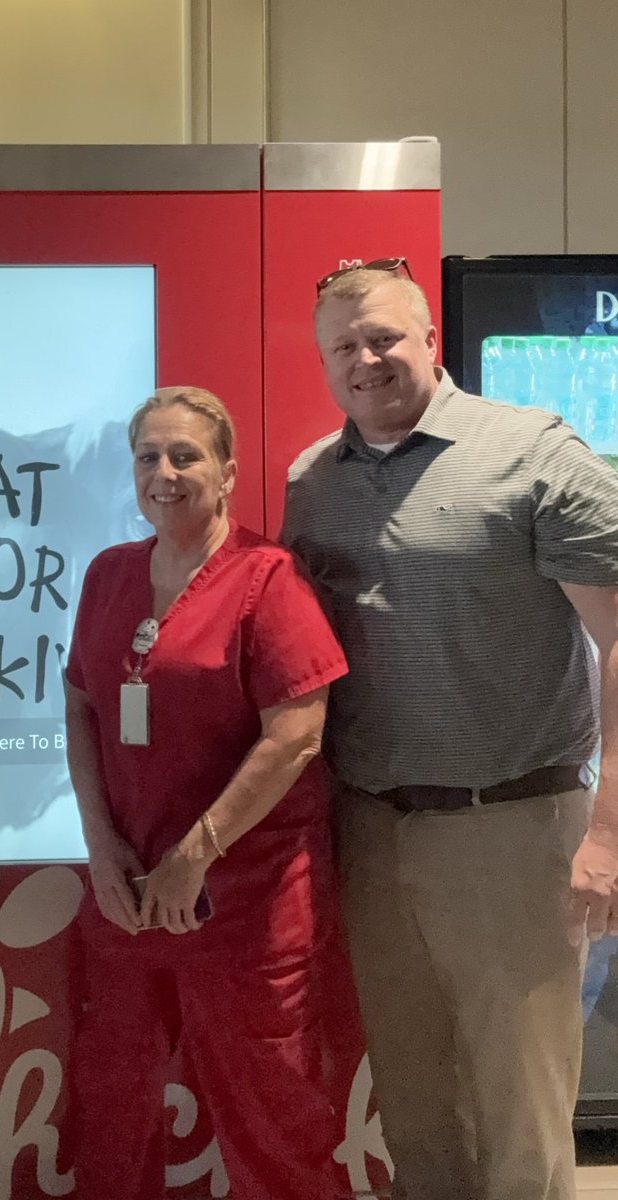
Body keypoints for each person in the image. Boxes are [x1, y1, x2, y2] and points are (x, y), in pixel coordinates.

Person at [282, 261, 618, 1200]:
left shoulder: (534, 453)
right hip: (372, 832)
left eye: (385, 337)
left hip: (513, 830)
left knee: (520, 1117)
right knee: (417, 1105)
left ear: (431, 339)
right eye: (343, 347)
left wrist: (606, 831)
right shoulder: (313, 481)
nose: (366, 360)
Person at [64, 386, 349, 1200]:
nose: (164, 471)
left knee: (272, 1111)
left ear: (226, 472)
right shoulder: (109, 574)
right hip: (127, 894)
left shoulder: (268, 578)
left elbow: (296, 733)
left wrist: (194, 857)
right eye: (147, 455)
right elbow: (81, 703)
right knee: (112, 1104)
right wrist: (100, 847)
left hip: (245, 901)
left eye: (185, 455)